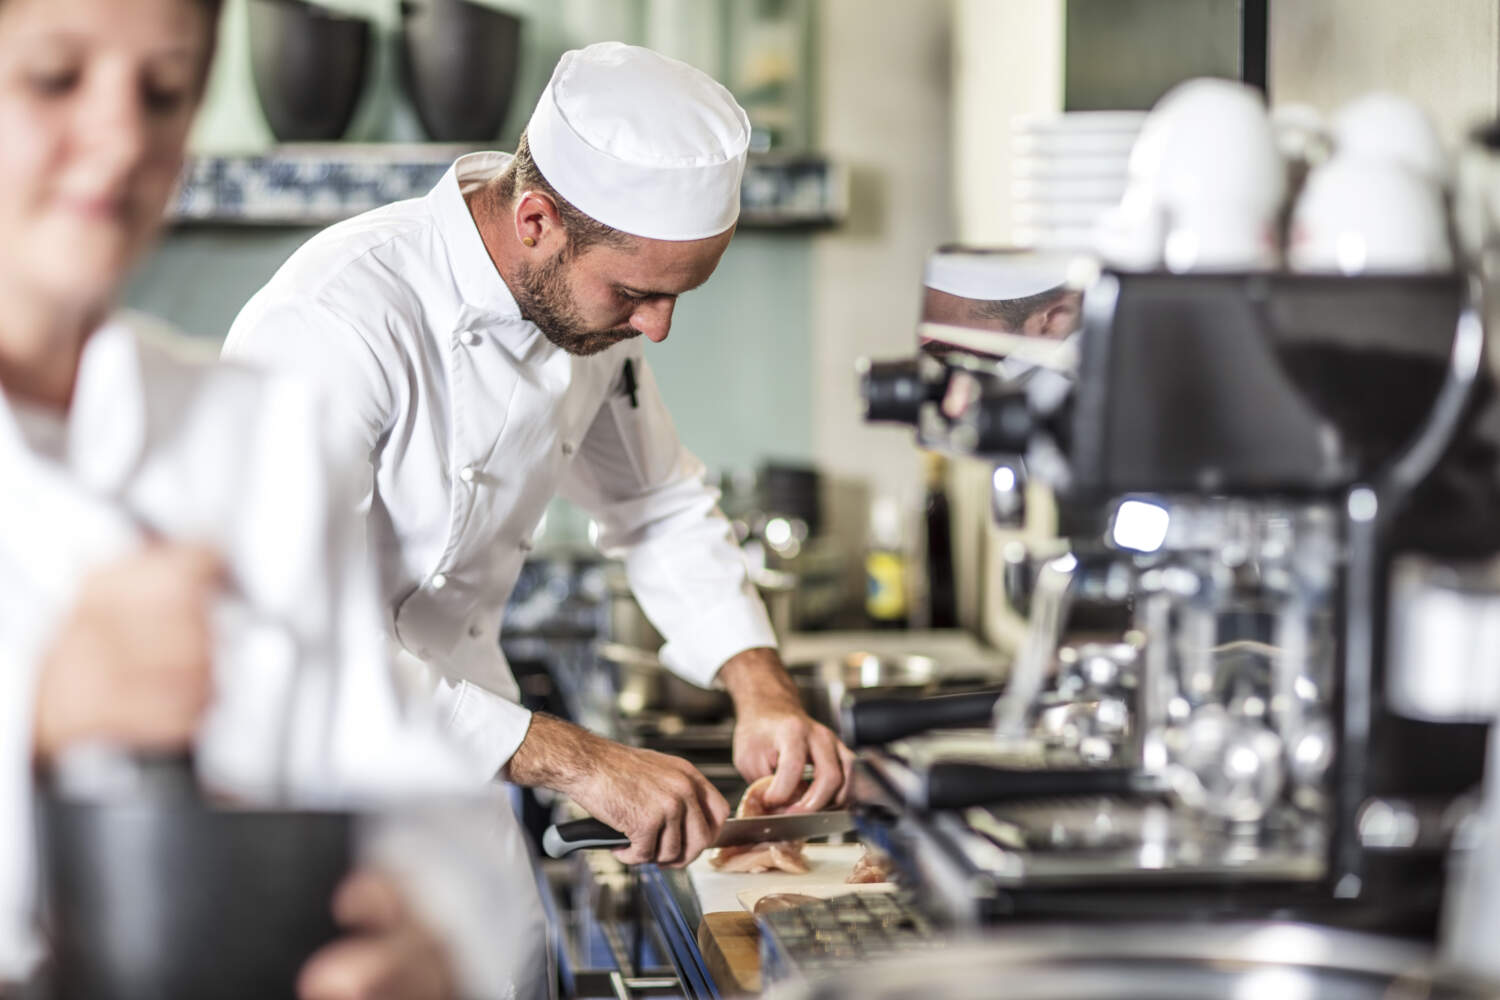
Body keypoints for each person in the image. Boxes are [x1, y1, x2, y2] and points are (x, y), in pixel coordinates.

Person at [0, 1, 532, 996]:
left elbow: (431, 811)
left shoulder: (258, 434)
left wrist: (436, 941)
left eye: (165, 91)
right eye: (53, 78)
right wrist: (36, 715)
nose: (123, 139)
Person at [224, 42, 854, 869]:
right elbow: (287, 636)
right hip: (311, 812)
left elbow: (654, 505)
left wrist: (762, 690)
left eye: (676, 294)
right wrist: (588, 763)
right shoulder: (334, 324)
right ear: (536, 222)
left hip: (466, 775)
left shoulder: (585, 313)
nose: (657, 328)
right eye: (636, 294)